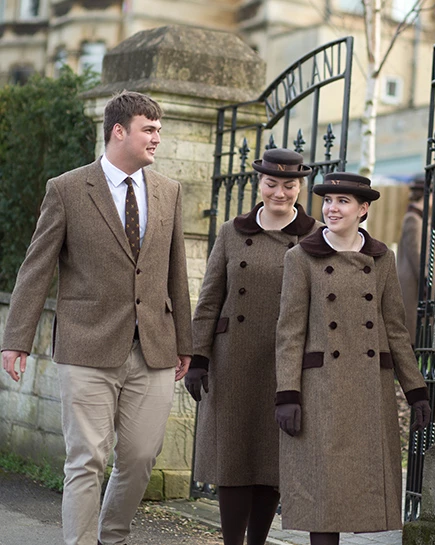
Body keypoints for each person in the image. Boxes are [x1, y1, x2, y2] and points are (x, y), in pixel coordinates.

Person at [1, 91, 192, 545]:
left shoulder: (169, 191)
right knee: (86, 457)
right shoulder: (66, 189)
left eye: (159, 130)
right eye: (149, 129)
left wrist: (186, 341)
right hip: (86, 346)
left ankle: (113, 535)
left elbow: (176, 271)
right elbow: (36, 267)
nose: (156, 138)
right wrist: (16, 339)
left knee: (142, 455)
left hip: (154, 347)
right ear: (118, 131)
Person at [274, 172, 431, 545]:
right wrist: (287, 393)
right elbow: (289, 331)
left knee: (359, 490)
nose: (332, 208)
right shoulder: (301, 258)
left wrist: (416, 388)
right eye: (328, 201)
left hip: (367, 390)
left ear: (363, 209)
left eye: (342, 202)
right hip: (320, 389)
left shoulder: (381, 259)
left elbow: (394, 328)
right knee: (323, 494)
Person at [185, 148, 320, 545]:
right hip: (234, 359)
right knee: (234, 455)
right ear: (259, 183)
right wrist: (198, 357)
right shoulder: (231, 231)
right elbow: (210, 298)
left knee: (271, 458)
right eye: (271, 184)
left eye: (289, 185)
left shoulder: (314, 237)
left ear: (300, 187)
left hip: (286, 362)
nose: (280, 193)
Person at [397, 174, 425, 342]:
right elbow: (416, 254)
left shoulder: (418, 218)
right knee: (412, 331)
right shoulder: (412, 219)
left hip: (413, 280)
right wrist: (427, 279)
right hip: (412, 282)